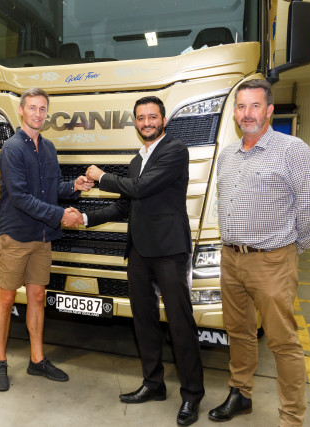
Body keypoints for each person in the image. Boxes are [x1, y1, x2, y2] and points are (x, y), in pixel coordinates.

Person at [209, 79, 310, 427]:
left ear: (269, 110)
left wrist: (290, 249)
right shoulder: (228, 155)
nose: (247, 114)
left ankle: (291, 417)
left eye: (255, 106)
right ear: (234, 113)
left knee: (283, 342)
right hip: (231, 258)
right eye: (241, 106)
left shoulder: (292, 150)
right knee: (238, 331)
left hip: (272, 260)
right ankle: (240, 394)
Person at [84, 96, 204, 426]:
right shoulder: (138, 159)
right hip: (139, 251)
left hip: (169, 251)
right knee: (143, 321)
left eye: (152, 116)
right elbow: (125, 206)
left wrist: (102, 177)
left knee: (180, 323)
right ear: (135, 122)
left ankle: (192, 394)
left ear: (163, 120)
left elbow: (141, 188)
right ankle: (153, 384)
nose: (146, 122)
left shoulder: (175, 150)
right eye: (141, 117)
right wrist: (84, 218)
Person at [0, 87, 93, 392]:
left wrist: (73, 186)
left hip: (42, 235)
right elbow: (20, 197)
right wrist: (61, 215)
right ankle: (0, 361)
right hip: (16, 235)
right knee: (6, 299)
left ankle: (37, 359)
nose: (37, 113)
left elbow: (49, 190)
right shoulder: (12, 148)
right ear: (21, 111)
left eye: (42, 109)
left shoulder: (48, 148)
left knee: (37, 297)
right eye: (32, 108)